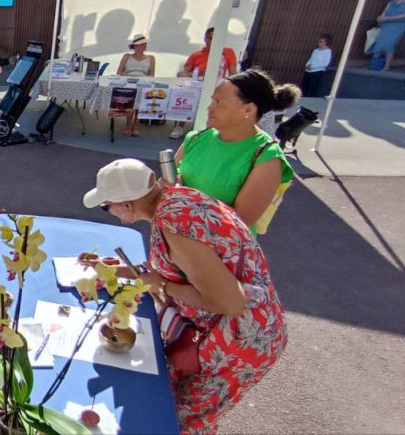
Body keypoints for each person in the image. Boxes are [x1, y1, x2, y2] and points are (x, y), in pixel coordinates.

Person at [83, 158, 287, 434]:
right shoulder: (174, 198)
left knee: (180, 422)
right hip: (222, 331)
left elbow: (230, 302)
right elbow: (184, 266)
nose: (107, 210)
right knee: (168, 398)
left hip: (237, 341)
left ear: (128, 204)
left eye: (107, 205)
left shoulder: (174, 225)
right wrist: (124, 271)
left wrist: (162, 286)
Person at [173, 70, 296, 234]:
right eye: (212, 100)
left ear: (248, 110)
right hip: (175, 245)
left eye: (219, 102)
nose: (210, 107)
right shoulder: (195, 138)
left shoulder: (267, 157)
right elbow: (167, 184)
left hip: (218, 255)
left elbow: (240, 221)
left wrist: (182, 197)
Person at [173, 27, 239, 139]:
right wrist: (200, 76)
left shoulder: (228, 52)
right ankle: (179, 127)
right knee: (186, 97)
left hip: (217, 86)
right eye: (210, 38)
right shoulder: (196, 54)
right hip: (198, 85)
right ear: (205, 39)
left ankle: (209, 130)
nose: (212, 41)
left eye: (215, 38)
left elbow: (233, 73)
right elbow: (183, 73)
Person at [366, 0, 405, 71]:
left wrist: (388, 18)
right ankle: (374, 64)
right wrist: (380, 17)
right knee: (379, 43)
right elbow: (384, 12)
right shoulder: (392, 2)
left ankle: (386, 67)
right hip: (386, 25)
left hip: (397, 25)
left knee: (390, 44)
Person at [116, 33, 156, 137]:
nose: (144, 46)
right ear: (135, 46)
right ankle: (128, 125)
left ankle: (136, 125)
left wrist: (147, 80)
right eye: (142, 44)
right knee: (130, 97)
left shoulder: (151, 58)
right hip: (129, 80)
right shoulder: (127, 56)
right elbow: (119, 72)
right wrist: (126, 76)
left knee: (142, 97)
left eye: (145, 44)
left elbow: (152, 74)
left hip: (143, 81)